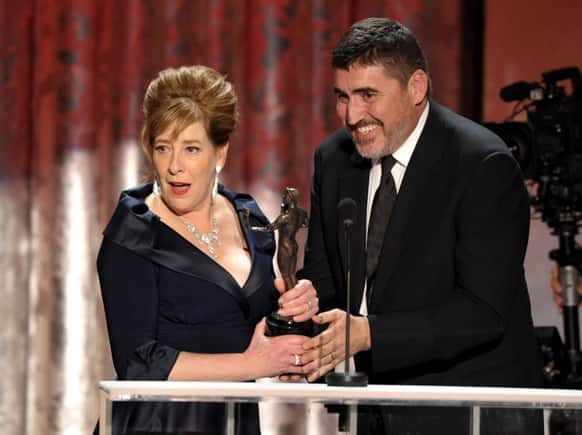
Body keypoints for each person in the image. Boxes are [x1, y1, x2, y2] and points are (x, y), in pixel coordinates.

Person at [296, 17, 543, 434]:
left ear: (416, 87)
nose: (353, 115)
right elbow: (327, 278)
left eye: (367, 95)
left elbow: (482, 313)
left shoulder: (482, 164)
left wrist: (367, 333)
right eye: (342, 96)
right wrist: (305, 303)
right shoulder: (334, 159)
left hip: (469, 412)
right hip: (372, 409)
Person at [96, 65, 318, 435]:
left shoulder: (249, 217)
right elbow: (137, 361)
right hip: (157, 426)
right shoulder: (132, 234)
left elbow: (259, 324)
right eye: (163, 147)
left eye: (191, 149)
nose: (174, 166)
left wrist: (300, 312)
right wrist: (252, 365)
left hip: (234, 421)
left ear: (221, 152)